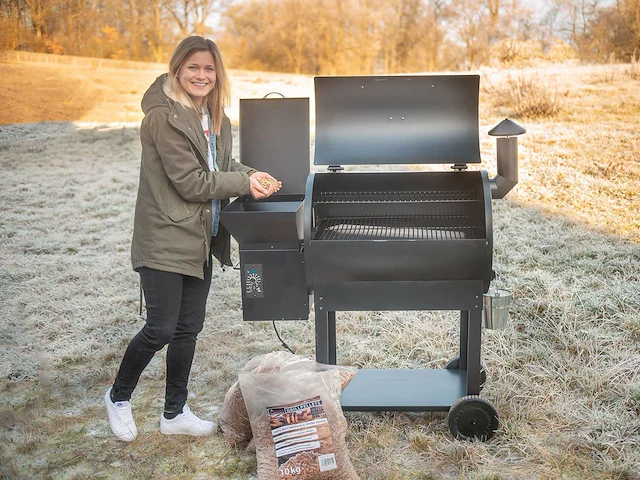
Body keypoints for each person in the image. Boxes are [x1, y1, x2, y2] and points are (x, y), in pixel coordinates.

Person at [104, 36, 280, 442]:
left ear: (218, 75)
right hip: (165, 237)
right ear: (177, 69)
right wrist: (243, 183)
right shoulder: (165, 117)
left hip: (202, 237)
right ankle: (117, 397)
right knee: (160, 329)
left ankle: (174, 412)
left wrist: (254, 175)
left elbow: (222, 164)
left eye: (209, 69)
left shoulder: (215, 117)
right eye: (193, 67)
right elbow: (190, 181)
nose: (202, 75)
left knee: (188, 329)